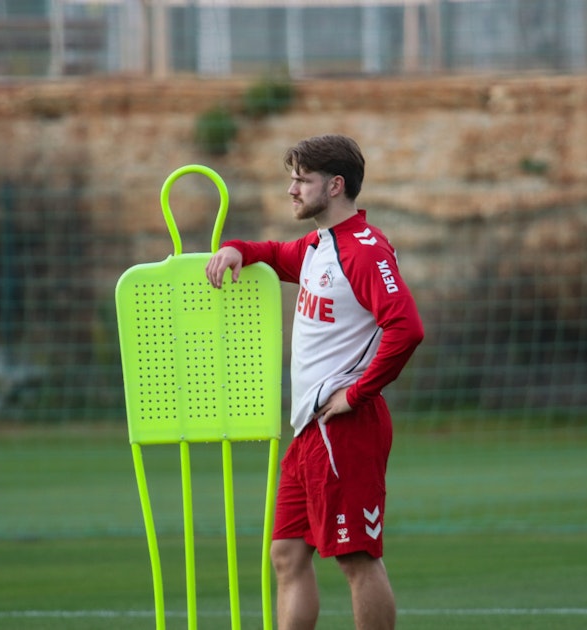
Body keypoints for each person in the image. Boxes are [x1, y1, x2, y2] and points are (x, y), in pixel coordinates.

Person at [205, 134, 424, 630]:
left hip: (345, 426)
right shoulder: (318, 245)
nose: (292, 189)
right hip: (311, 428)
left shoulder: (364, 250)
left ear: (335, 186)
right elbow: (273, 252)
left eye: (302, 180)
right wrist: (237, 250)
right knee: (286, 553)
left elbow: (407, 328)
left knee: (356, 558)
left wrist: (358, 393)